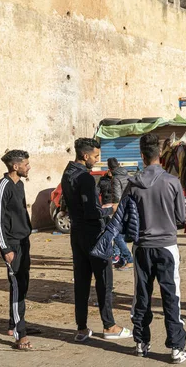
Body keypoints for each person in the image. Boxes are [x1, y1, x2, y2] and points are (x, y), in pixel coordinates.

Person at [123, 133, 186, 362]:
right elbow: (182, 217)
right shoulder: (172, 182)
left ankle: (141, 343)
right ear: (160, 154)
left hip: (141, 248)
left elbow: (124, 217)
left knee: (142, 295)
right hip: (167, 247)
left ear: (142, 155)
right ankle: (176, 348)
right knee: (171, 296)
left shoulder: (132, 184)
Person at [61, 138, 132, 342]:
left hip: (77, 234)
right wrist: (110, 208)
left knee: (82, 282)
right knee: (104, 280)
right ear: (85, 156)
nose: (97, 160)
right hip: (93, 235)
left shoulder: (67, 174)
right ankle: (109, 325)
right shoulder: (84, 177)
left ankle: (81, 328)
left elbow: (68, 205)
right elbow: (92, 211)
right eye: (95, 156)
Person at [0, 150, 33, 350]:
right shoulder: (2, 188)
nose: (28, 167)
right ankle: (19, 334)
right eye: (26, 163)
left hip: (24, 242)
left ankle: (13, 324)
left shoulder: (20, 185)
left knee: (22, 284)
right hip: (12, 245)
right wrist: (5, 248)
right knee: (17, 286)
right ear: (15, 166)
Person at [108, 157, 133, 269]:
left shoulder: (115, 179)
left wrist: (115, 210)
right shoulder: (128, 175)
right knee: (121, 235)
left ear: (109, 168)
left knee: (117, 236)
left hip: (121, 210)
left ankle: (129, 259)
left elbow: (117, 197)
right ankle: (122, 261)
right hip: (130, 209)